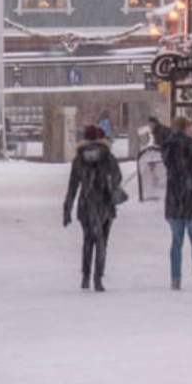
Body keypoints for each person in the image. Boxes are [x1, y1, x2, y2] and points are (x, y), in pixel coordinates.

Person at [148, 116, 192, 291]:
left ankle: (175, 279)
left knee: (176, 241)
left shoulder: (167, 147)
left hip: (174, 199)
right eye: (190, 127)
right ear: (186, 127)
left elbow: (170, 169)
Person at [63, 123, 123, 292]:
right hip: (104, 203)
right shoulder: (108, 157)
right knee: (102, 241)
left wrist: (67, 209)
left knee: (88, 239)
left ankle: (85, 276)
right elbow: (117, 178)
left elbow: (73, 186)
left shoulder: (79, 159)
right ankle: (98, 278)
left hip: (85, 203)